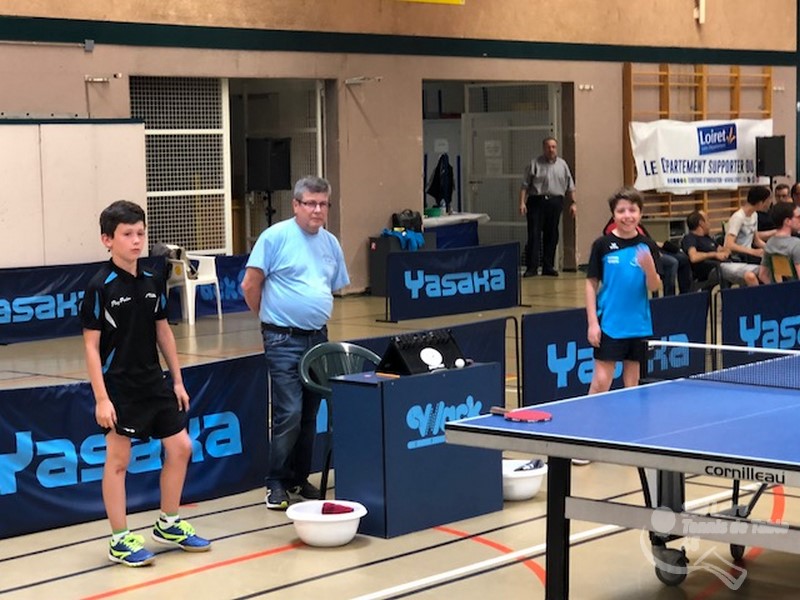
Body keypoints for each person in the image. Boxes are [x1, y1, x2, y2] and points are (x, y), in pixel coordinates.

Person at [80, 200, 210, 568]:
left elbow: (163, 331)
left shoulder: (153, 279)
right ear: (108, 240)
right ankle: (119, 540)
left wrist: (178, 380)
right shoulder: (99, 286)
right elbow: (90, 347)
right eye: (127, 234)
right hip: (118, 387)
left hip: (154, 382)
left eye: (140, 233)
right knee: (119, 460)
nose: (136, 240)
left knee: (181, 447)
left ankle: (168, 523)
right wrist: (101, 399)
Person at [241, 175, 350, 510]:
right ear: (296, 205)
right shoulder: (275, 237)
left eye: (323, 204)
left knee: (309, 414)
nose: (317, 210)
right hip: (282, 338)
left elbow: (332, 286)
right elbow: (250, 285)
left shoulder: (331, 243)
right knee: (289, 411)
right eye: (310, 203)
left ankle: (299, 478)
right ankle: (276, 481)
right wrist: (269, 320)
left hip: (318, 339)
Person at [586, 187, 661, 396]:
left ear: (640, 213)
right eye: (621, 211)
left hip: (638, 325)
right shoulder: (602, 245)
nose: (627, 216)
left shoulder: (647, 246)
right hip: (610, 323)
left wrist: (649, 269)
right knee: (601, 382)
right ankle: (589, 416)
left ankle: (630, 417)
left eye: (632, 210)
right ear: (613, 215)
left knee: (632, 383)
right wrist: (592, 323)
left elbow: (654, 287)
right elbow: (591, 284)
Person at [519, 137, 576, 277]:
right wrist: (522, 203)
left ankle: (548, 266)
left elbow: (570, 186)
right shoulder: (534, 164)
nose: (551, 149)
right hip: (536, 202)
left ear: (556, 148)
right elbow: (525, 185)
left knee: (552, 235)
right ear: (544, 148)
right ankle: (532, 268)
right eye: (548, 147)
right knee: (534, 234)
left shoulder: (563, 165)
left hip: (555, 202)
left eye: (553, 147)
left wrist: (573, 203)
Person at [602, 217, 690, 296]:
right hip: (639, 255)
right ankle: (668, 295)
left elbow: (649, 240)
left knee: (683, 258)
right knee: (672, 262)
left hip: (652, 250)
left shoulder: (638, 226)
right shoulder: (615, 227)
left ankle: (683, 293)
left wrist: (662, 246)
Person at [681, 210, 759, 287]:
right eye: (707, 220)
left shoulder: (707, 238)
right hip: (713, 269)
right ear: (701, 223)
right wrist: (714, 254)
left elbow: (722, 249)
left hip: (726, 264)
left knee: (758, 272)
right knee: (752, 274)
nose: (709, 223)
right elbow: (694, 257)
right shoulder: (690, 238)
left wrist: (726, 252)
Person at [724, 186, 769, 264]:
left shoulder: (754, 215)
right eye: (766, 202)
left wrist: (771, 249)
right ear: (760, 203)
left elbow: (756, 241)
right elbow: (729, 244)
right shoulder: (738, 217)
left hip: (749, 256)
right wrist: (752, 251)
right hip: (737, 258)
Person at [758, 201, 800, 283]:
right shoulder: (796, 245)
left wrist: (776, 289)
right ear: (787, 221)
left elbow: (762, 275)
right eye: (798, 217)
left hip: (780, 289)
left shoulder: (769, 243)